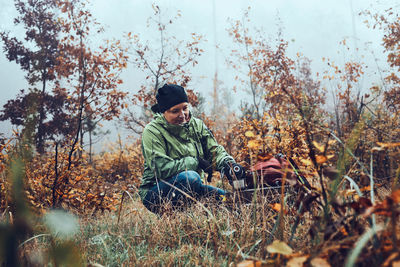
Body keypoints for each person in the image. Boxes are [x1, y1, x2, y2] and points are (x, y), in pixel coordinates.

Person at [138, 84, 243, 214]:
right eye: (175, 111)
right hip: (156, 192)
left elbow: (214, 151)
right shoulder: (152, 131)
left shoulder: (196, 125)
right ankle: (176, 219)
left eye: (185, 108)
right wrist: (195, 162)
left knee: (231, 201)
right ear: (163, 111)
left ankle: (197, 216)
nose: (182, 115)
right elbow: (161, 169)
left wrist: (228, 164)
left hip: (193, 187)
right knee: (191, 177)